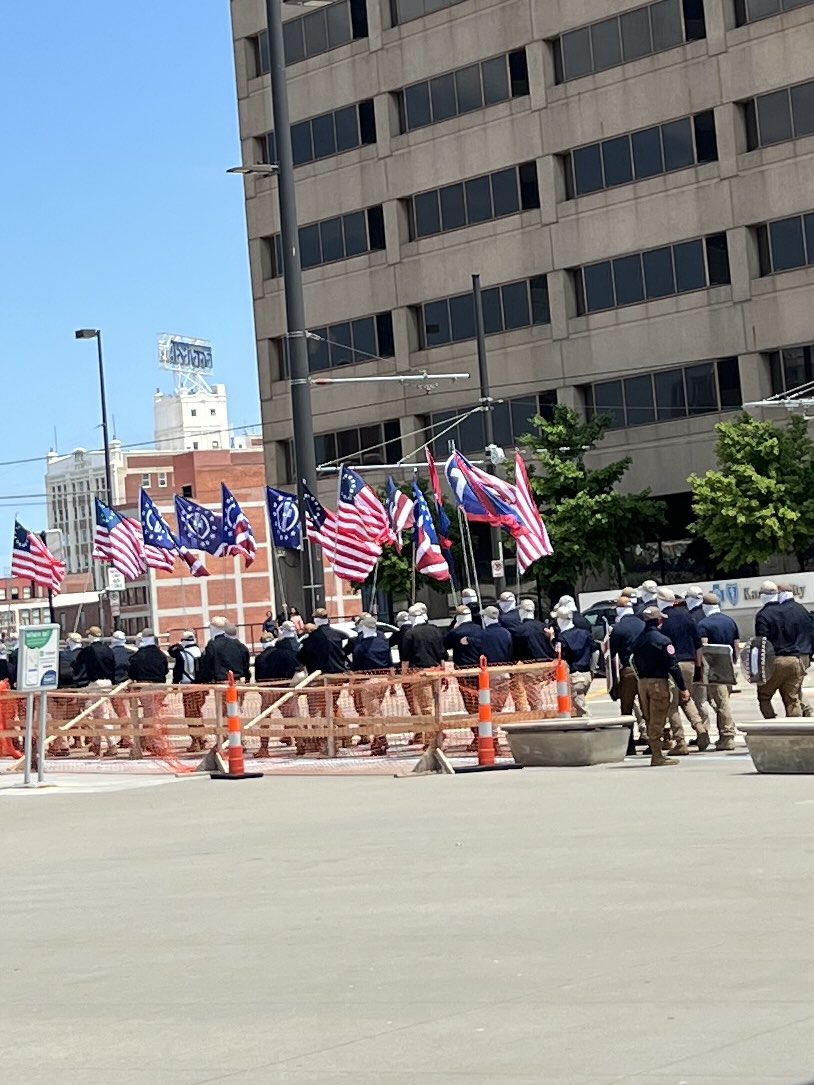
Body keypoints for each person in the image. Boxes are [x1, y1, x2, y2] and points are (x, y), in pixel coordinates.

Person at [631, 606, 690, 767]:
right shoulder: (663, 641)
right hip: (658, 682)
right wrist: (683, 688)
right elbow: (673, 666)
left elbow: (632, 660)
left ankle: (656, 750)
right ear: (659, 620)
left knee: (649, 718)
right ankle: (657, 756)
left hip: (642, 683)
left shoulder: (638, 640)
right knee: (657, 719)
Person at [658, 588, 709, 754]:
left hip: (672, 664)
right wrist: (699, 666)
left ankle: (680, 741)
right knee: (686, 698)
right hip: (689, 663)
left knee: (672, 705)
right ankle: (700, 728)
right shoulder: (688, 616)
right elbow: (698, 644)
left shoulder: (662, 620)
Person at [755, 580, 813, 718]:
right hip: (796, 659)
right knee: (793, 699)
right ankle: (796, 731)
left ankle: (772, 725)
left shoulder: (763, 615)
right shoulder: (795, 610)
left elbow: (762, 643)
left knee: (764, 696)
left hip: (776, 660)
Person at [697, 593, 739, 750]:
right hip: (728, 666)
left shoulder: (703, 624)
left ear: (704, 606)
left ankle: (728, 736)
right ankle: (723, 734)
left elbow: (704, 648)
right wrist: (734, 662)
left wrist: (702, 670)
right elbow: (736, 645)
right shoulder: (730, 621)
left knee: (721, 702)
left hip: (714, 669)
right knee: (724, 700)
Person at [254, 624, 301, 758]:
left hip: (268, 690)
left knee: (265, 720)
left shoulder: (259, 658)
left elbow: (257, 678)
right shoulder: (283, 653)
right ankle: (300, 743)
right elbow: (295, 667)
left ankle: (264, 748)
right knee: (291, 717)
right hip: (285, 687)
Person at [400, 602, 445, 737]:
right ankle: (437, 732)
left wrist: (404, 676)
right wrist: (443, 672)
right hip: (436, 671)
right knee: (436, 705)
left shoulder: (410, 634)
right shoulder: (435, 630)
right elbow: (442, 654)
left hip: (420, 673)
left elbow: (405, 658)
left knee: (425, 707)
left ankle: (432, 736)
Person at [608, 596, 645, 755]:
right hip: (644, 670)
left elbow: (612, 653)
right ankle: (653, 741)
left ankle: (629, 746)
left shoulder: (619, 628)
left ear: (619, 609)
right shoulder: (642, 623)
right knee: (647, 708)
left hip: (628, 671)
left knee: (627, 709)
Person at [351, 614, 393, 755]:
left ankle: (380, 739)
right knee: (377, 710)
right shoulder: (383, 641)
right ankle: (382, 737)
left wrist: (353, 683)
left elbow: (356, 667)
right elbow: (390, 663)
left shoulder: (361, 646)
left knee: (372, 712)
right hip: (384, 679)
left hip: (368, 681)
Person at [446, 604, 486, 747]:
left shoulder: (456, 632)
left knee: (471, 704)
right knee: (483, 703)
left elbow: (445, 643)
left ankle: (477, 735)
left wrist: (454, 626)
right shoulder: (480, 629)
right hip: (481, 670)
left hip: (463, 671)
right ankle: (483, 734)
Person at [74, 626, 118, 756]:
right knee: (101, 714)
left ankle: (112, 744)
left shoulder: (89, 650)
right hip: (108, 684)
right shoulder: (108, 649)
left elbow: (77, 663)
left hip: (96, 684)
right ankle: (97, 744)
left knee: (101, 715)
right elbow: (113, 666)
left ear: (90, 636)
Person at [512, 599, 556, 714]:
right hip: (548, 665)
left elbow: (517, 651)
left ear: (521, 611)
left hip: (531, 667)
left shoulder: (519, 630)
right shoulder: (543, 627)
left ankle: (538, 714)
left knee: (533, 696)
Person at [168, 631, 206, 753]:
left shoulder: (182, 654)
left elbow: (177, 672)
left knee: (190, 715)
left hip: (188, 688)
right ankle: (201, 737)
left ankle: (196, 741)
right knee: (198, 713)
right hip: (201, 687)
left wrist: (174, 685)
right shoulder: (201, 652)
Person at [554, 605, 594, 717]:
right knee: (576, 707)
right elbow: (595, 652)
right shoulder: (585, 633)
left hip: (574, 675)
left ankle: (590, 730)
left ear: (560, 620)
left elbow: (559, 658)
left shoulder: (561, 638)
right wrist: (592, 668)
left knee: (580, 708)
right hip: (586, 674)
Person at [498, 592, 530, 712]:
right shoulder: (519, 615)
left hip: (511, 658)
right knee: (528, 687)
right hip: (527, 657)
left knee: (516, 687)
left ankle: (523, 712)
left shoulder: (502, 619)